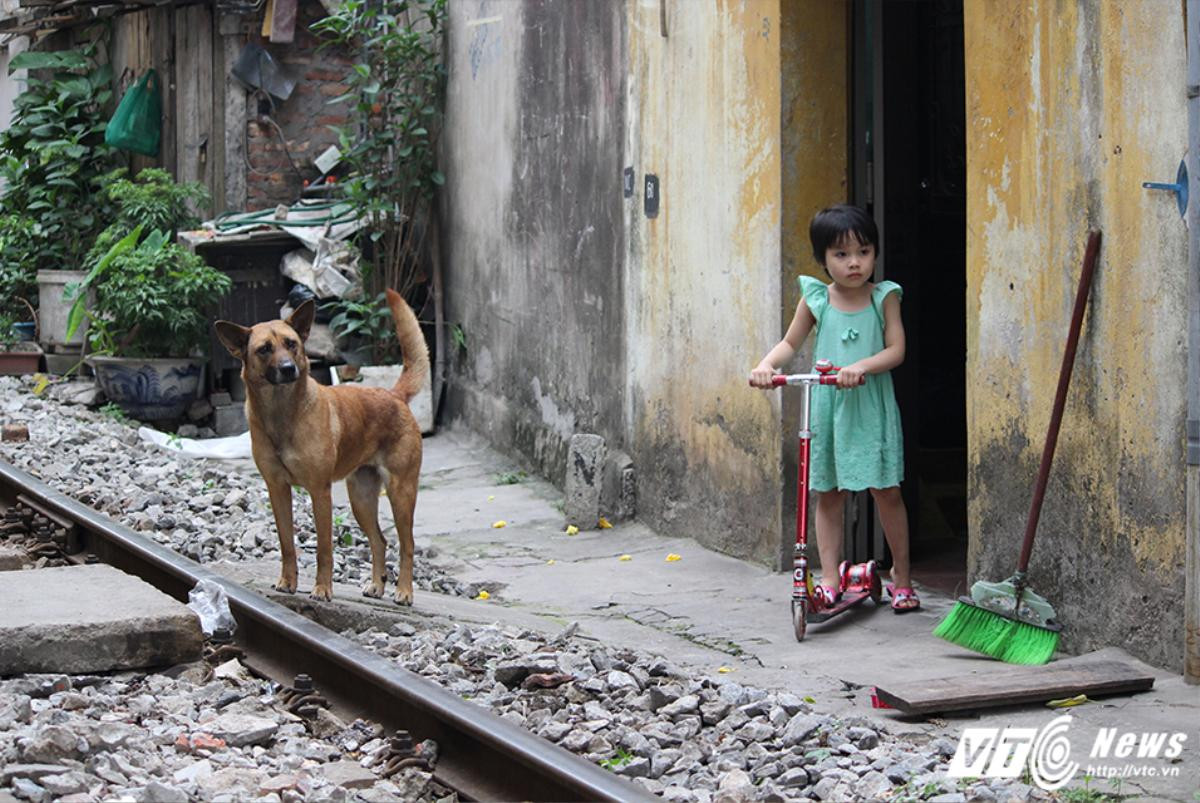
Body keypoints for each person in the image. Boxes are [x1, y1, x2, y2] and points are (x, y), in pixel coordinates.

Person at [749, 204, 918, 612]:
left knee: (887, 491)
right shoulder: (817, 300)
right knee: (828, 493)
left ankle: (902, 576)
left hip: (870, 404)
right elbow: (790, 344)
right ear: (823, 259)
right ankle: (828, 576)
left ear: (875, 252)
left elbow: (897, 349)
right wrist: (767, 365)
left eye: (863, 251)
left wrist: (861, 366)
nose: (854, 262)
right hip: (828, 407)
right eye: (841, 255)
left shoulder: (884, 297)